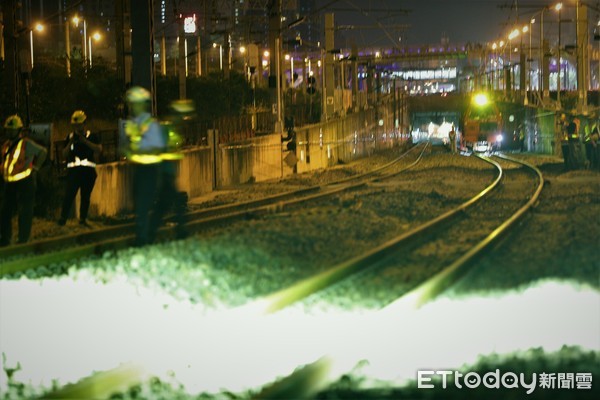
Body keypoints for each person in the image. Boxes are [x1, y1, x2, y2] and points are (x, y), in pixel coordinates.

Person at [122, 86, 166, 246]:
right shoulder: (134, 124)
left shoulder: (150, 124)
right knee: (139, 203)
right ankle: (145, 236)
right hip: (139, 169)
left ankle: (143, 238)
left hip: (149, 170)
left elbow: (157, 147)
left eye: (135, 103)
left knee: (142, 204)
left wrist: (137, 150)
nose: (133, 106)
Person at [0, 115, 47, 246]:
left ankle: (23, 239)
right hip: (9, 183)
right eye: (7, 129)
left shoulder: (26, 143)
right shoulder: (6, 145)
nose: (9, 132)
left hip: (25, 182)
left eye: (11, 129)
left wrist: (35, 168)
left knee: (24, 211)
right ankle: (5, 238)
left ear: (18, 130)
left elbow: (43, 152)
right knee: (5, 211)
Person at [58, 110, 102, 226]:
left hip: (88, 172)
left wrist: (85, 142)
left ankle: (82, 219)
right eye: (75, 125)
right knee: (69, 195)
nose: (77, 127)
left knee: (85, 197)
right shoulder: (70, 137)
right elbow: (64, 154)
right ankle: (63, 219)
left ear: (84, 123)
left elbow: (98, 149)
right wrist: (71, 142)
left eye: (79, 124)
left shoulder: (92, 136)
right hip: (74, 173)